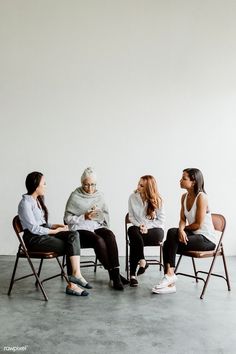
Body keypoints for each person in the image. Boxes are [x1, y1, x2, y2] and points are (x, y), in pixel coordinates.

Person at [18, 171, 92, 297]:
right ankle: (72, 285)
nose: (46, 186)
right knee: (70, 246)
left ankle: (76, 274)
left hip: (43, 234)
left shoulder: (38, 200)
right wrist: (54, 232)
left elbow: (42, 223)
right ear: (36, 185)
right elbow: (34, 229)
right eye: (44, 184)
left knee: (73, 235)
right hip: (34, 239)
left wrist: (56, 226)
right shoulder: (25, 203)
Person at [152, 168, 217, 295]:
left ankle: (169, 279)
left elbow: (198, 225)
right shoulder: (184, 197)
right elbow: (182, 219)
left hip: (206, 239)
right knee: (172, 233)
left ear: (193, 182)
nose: (180, 180)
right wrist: (181, 229)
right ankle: (170, 277)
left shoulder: (202, 197)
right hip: (193, 235)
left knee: (169, 243)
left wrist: (182, 230)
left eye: (184, 178)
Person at [64, 167, 128, 291]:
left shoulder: (99, 195)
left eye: (92, 185)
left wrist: (97, 214)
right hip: (79, 229)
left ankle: (115, 273)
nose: (89, 188)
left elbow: (105, 215)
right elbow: (67, 219)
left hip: (96, 225)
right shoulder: (75, 195)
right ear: (81, 183)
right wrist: (84, 216)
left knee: (109, 235)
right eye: (86, 185)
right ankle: (115, 276)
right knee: (98, 240)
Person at [128, 175, 165, 287]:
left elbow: (160, 221)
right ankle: (141, 262)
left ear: (149, 188)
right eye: (138, 184)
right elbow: (131, 217)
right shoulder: (132, 197)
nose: (138, 187)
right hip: (139, 230)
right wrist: (141, 226)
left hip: (155, 230)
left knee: (134, 239)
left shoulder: (158, 199)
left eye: (142, 185)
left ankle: (133, 274)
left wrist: (147, 227)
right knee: (132, 231)